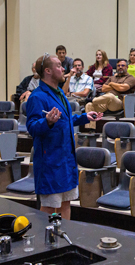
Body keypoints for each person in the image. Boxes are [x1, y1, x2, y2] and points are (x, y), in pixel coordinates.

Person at [26, 53, 102, 219]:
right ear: (48, 71)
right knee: (49, 206)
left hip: (66, 159)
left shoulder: (59, 92)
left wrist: (84, 117)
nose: (63, 69)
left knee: (66, 203)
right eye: (59, 66)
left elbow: (64, 121)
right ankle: (45, 241)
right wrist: (47, 122)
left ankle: (62, 239)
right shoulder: (37, 96)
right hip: (50, 161)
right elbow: (31, 127)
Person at [85, 59, 135, 132]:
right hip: (106, 102)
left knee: (110, 96)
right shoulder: (112, 78)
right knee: (89, 105)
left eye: (122, 65)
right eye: (118, 66)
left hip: (120, 103)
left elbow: (123, 88)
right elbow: (103, 88)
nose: (120, 67)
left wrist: (111, 84)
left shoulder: (130, 78)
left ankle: (93, 99)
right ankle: (91, 130)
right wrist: (117, 86)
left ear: (127, 67)